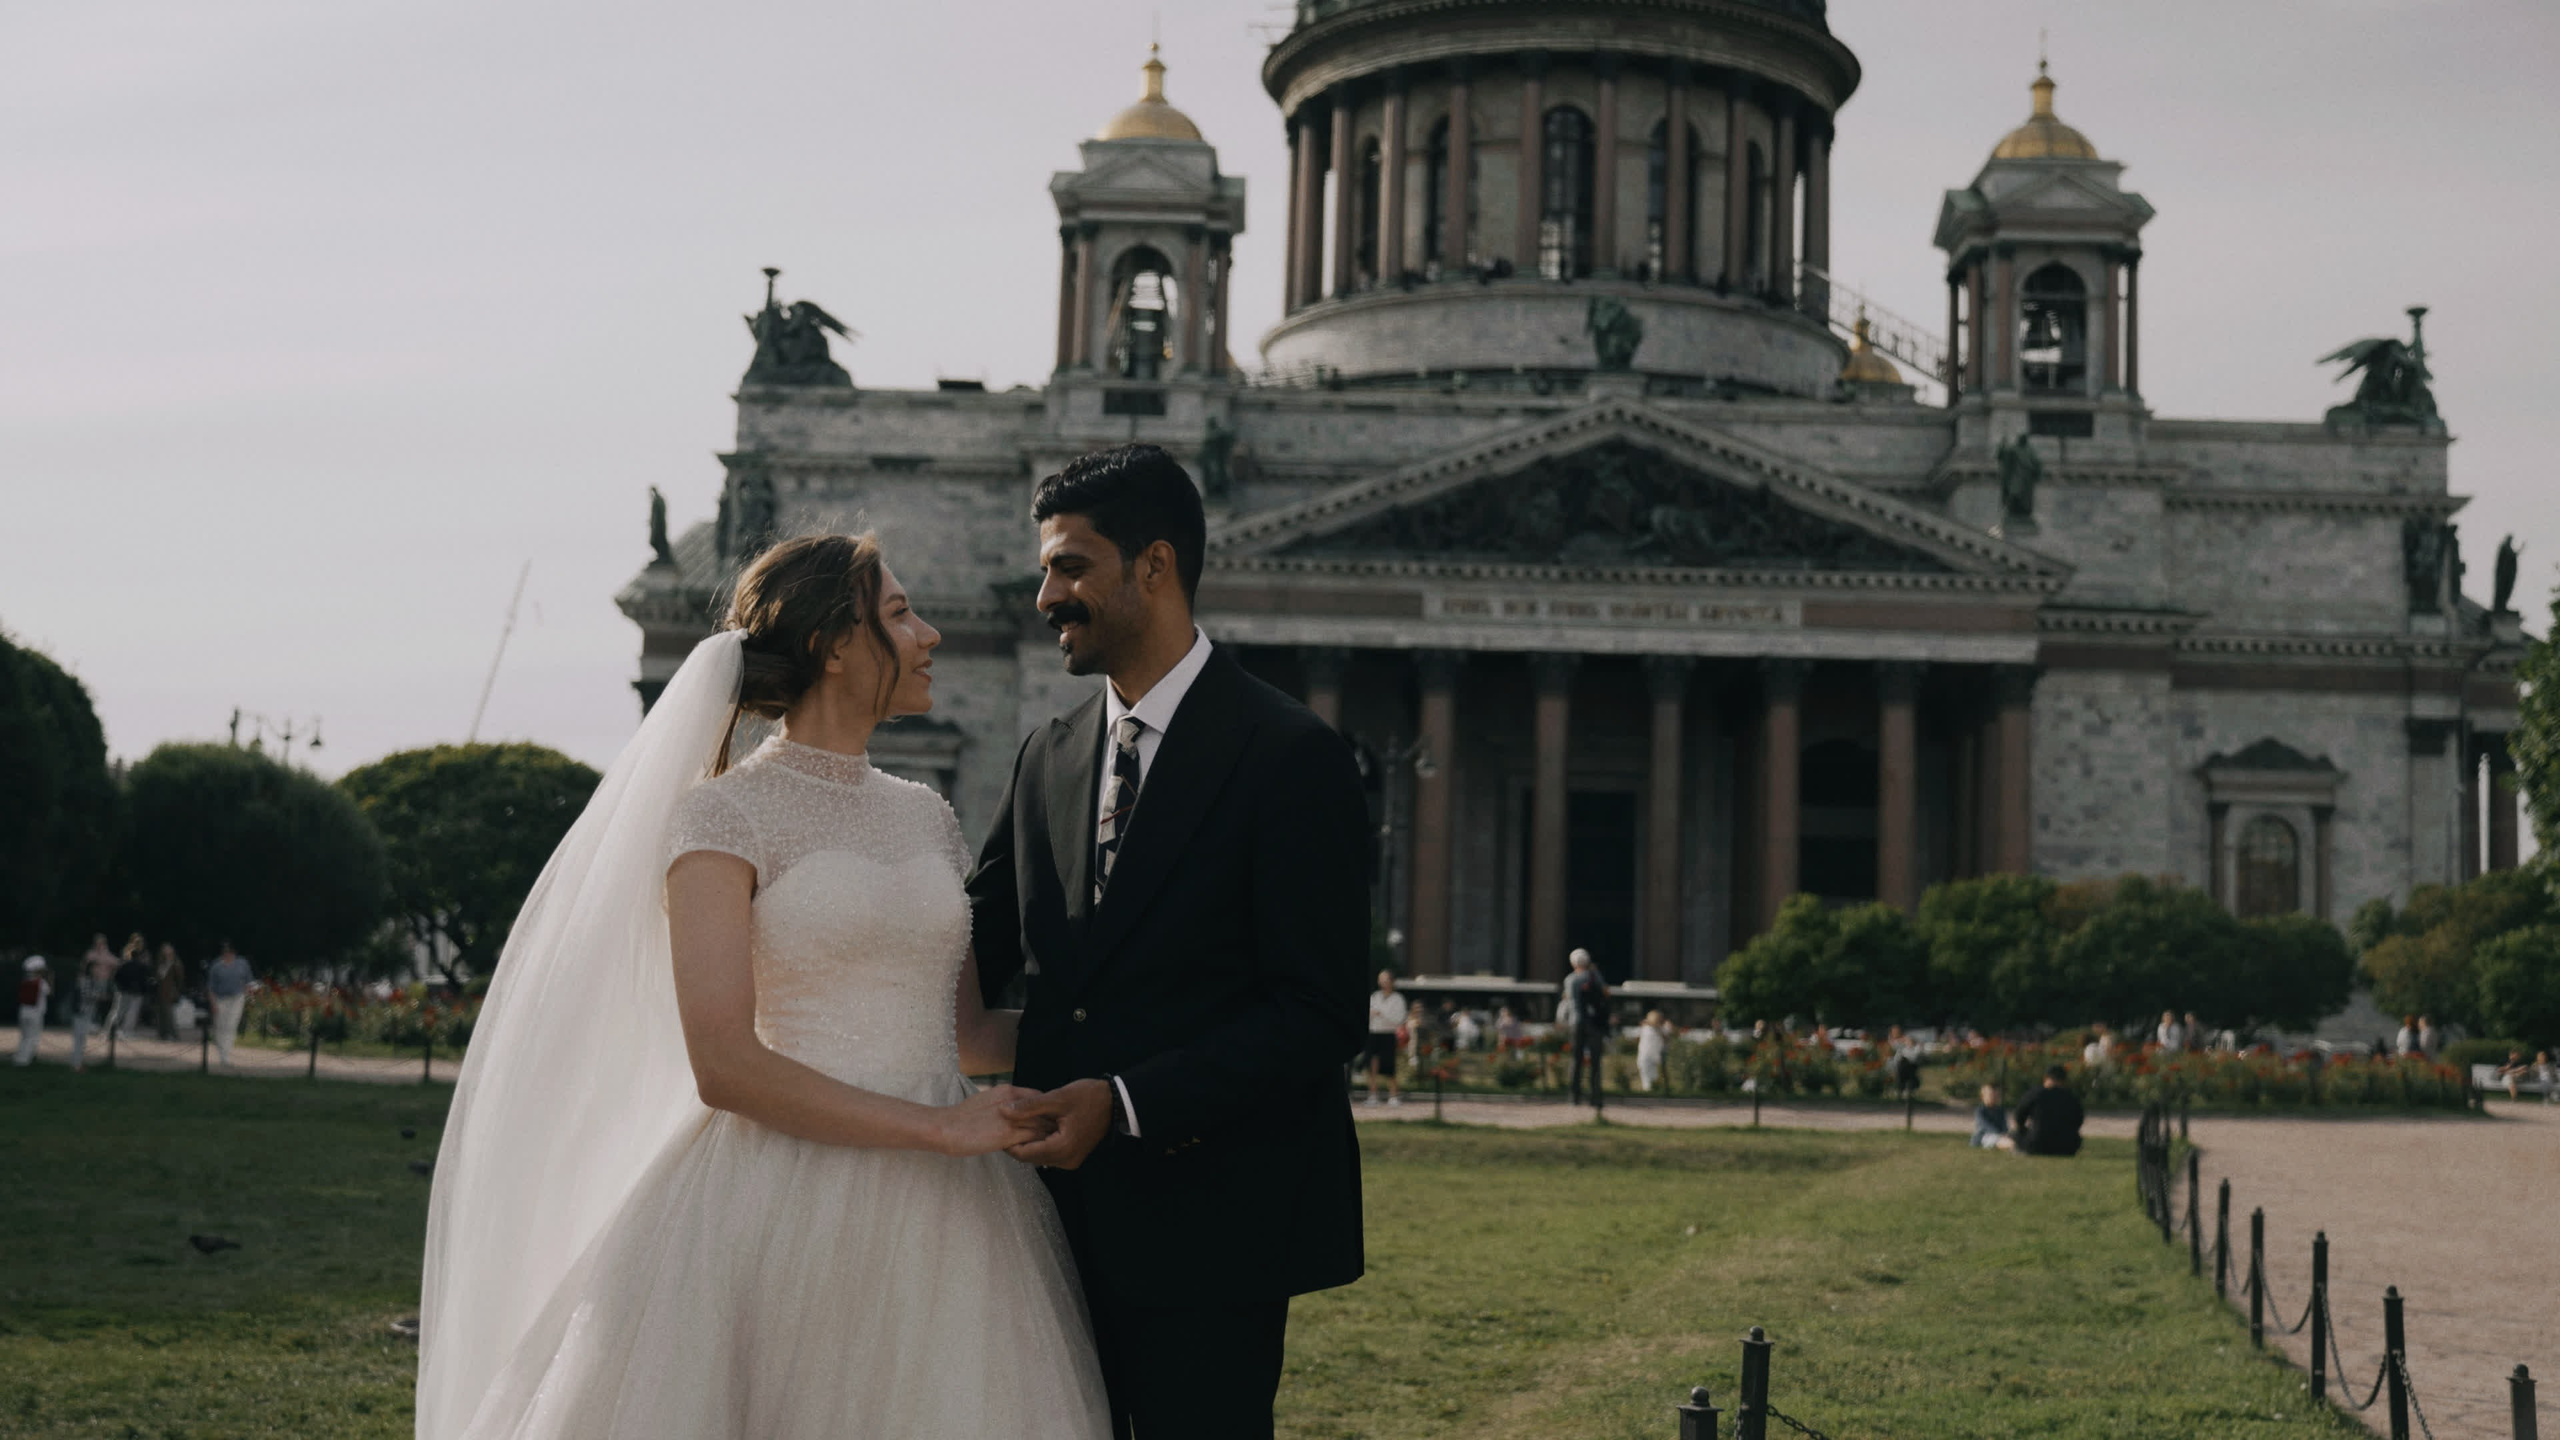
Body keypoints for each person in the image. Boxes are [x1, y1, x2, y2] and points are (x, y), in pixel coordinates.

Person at [416, 533, 1114, 1439]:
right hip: (780, 1194)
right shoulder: (722, 815)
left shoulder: (928, 816)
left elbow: (966, 1033)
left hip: (951, 1210)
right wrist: (939, 1128)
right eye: (901, 614)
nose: (930, 635)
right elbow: (725, 1066)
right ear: (833, 644)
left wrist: (1124, 1038)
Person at [966, 444, 1370, 1437]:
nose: (1044, 598)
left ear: (1154, 566)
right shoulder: (1047, 756)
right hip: (1048, 1231)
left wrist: (1125, 1103)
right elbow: (967, 947)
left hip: (1216, 1234)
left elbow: (1319, 1011)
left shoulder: (1292, 755)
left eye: (1069, 567)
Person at [1562, 948, 1610, 1105]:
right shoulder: (1594, 976)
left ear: (1572, 963)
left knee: (1576, 1059)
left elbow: (1569, 1001)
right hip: (1595, 1023)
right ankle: (1595, 1096)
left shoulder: (1570, 979)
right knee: (1595, 1060)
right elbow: (1606, 994)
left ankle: (1574, 1096)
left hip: (1576, 1023)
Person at [2010, 1065, 2085, 1156]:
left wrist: (2023, 1129)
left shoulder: (2035, 1094)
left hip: (2037, 1145)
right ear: (2064, 1081)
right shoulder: (2072, 1098)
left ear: (2045, 1078)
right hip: (2066, 1147)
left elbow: (2019, 1116)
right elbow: (2078, 1121)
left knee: (2015, 1134)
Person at [69, 936, 115, 1071]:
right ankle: (76, 1065)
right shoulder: (85, 981)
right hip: (81, 1013)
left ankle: (78, 1063)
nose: (98, 970)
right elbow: (88, 995)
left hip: (85, 1013)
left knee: (81, 1040)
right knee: (79, 1040)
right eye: (96, 968)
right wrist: (102, 997)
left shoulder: (89, 980)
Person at [1363, 971, 1407, 1107]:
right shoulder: (1374, 996)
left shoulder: (1398, 999)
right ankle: (1373, 1095)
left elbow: (1398, 1019)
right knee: (1371, 1065)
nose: (1383, 982)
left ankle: (1393, 1096)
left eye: (1385, 979)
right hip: (1373, 1033)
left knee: (1389, 1066)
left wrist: (1381, 1014)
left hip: (1388, 1034)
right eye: (1380, 979)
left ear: (1392, 981)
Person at [206, 943, 252, 1069]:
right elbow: (210, 987)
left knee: (231, 1025)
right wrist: (213, 1003)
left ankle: (225, 1054)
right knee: (220, 1026)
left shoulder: (242, 964)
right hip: (220, 999)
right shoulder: (216, 966)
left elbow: (248, 981)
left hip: (237, 998)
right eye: (226, 952)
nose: (228, 954)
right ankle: (221, 1050)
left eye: (230, 952)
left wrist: (247, 994)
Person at [111, 938, 150, 1040]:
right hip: (136, 993)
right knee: (132, 1013)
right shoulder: (142, 966)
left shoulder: (124, 965)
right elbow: (145, 980)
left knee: (119, 1011)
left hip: (123, 991)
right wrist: (144, 991)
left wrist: (120, 988)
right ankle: (127, 1032)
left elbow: (116, 978)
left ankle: (111, 1030)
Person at [14, 957, 48, 1066]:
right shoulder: (42, 983)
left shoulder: (25, 982)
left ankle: (19, 1056)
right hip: (35, 1012)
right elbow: (49, 992)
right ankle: (24, 1060)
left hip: (23, 1011)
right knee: (32, 1036)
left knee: (24, 1036)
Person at [153, 942, 184, 1040]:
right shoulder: (161, 963)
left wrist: (176, 990)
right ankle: (162, 1033)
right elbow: (158, 976)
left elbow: (179, 978)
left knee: (169, 1014)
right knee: (160, 1013)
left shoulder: (175, 963)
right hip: (160, 991)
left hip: (170, 992)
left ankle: (173, 1034)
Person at [1635, 1009, 1668, 1093]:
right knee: (1648, 1081)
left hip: (1655, 1058)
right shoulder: (1646, 1029)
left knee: (1654, 1080)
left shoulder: (1660, 1029)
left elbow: (1666, 1038)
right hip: (1646, 1058)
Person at [1970, 1083, 2009, 1148]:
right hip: (1983, 1136)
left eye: (1996, 1096)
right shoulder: (1981, 1111)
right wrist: (1999, 1134)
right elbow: (1985, 1125)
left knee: (2012, 1137)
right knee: (1998, 1140)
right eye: (1991, 1095)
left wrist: (2005, 1133)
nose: (1994, 1098)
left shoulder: (2000, 1110)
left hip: (2000, 1135)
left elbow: (2004, 1124)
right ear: (1983, 1097)